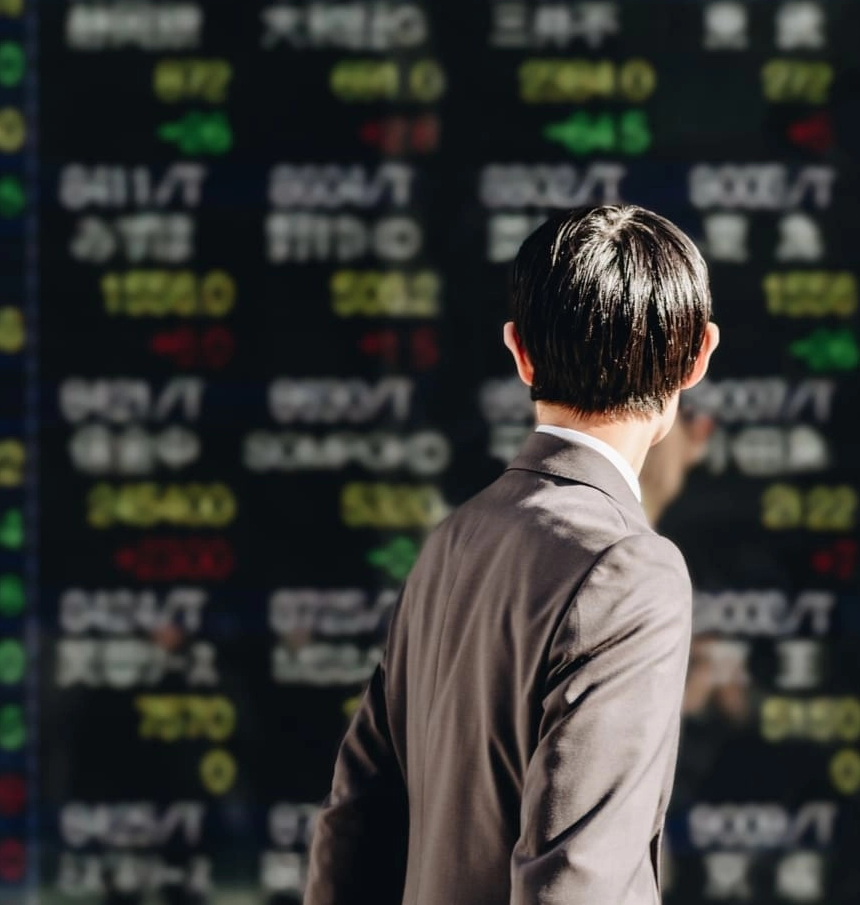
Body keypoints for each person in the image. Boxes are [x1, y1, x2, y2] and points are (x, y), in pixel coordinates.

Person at [306, 204, 722, 904]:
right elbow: (575, 879)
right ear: (698, 356)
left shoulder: (450, 544)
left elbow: (353, 830)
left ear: (519, 350)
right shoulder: (631, 570)